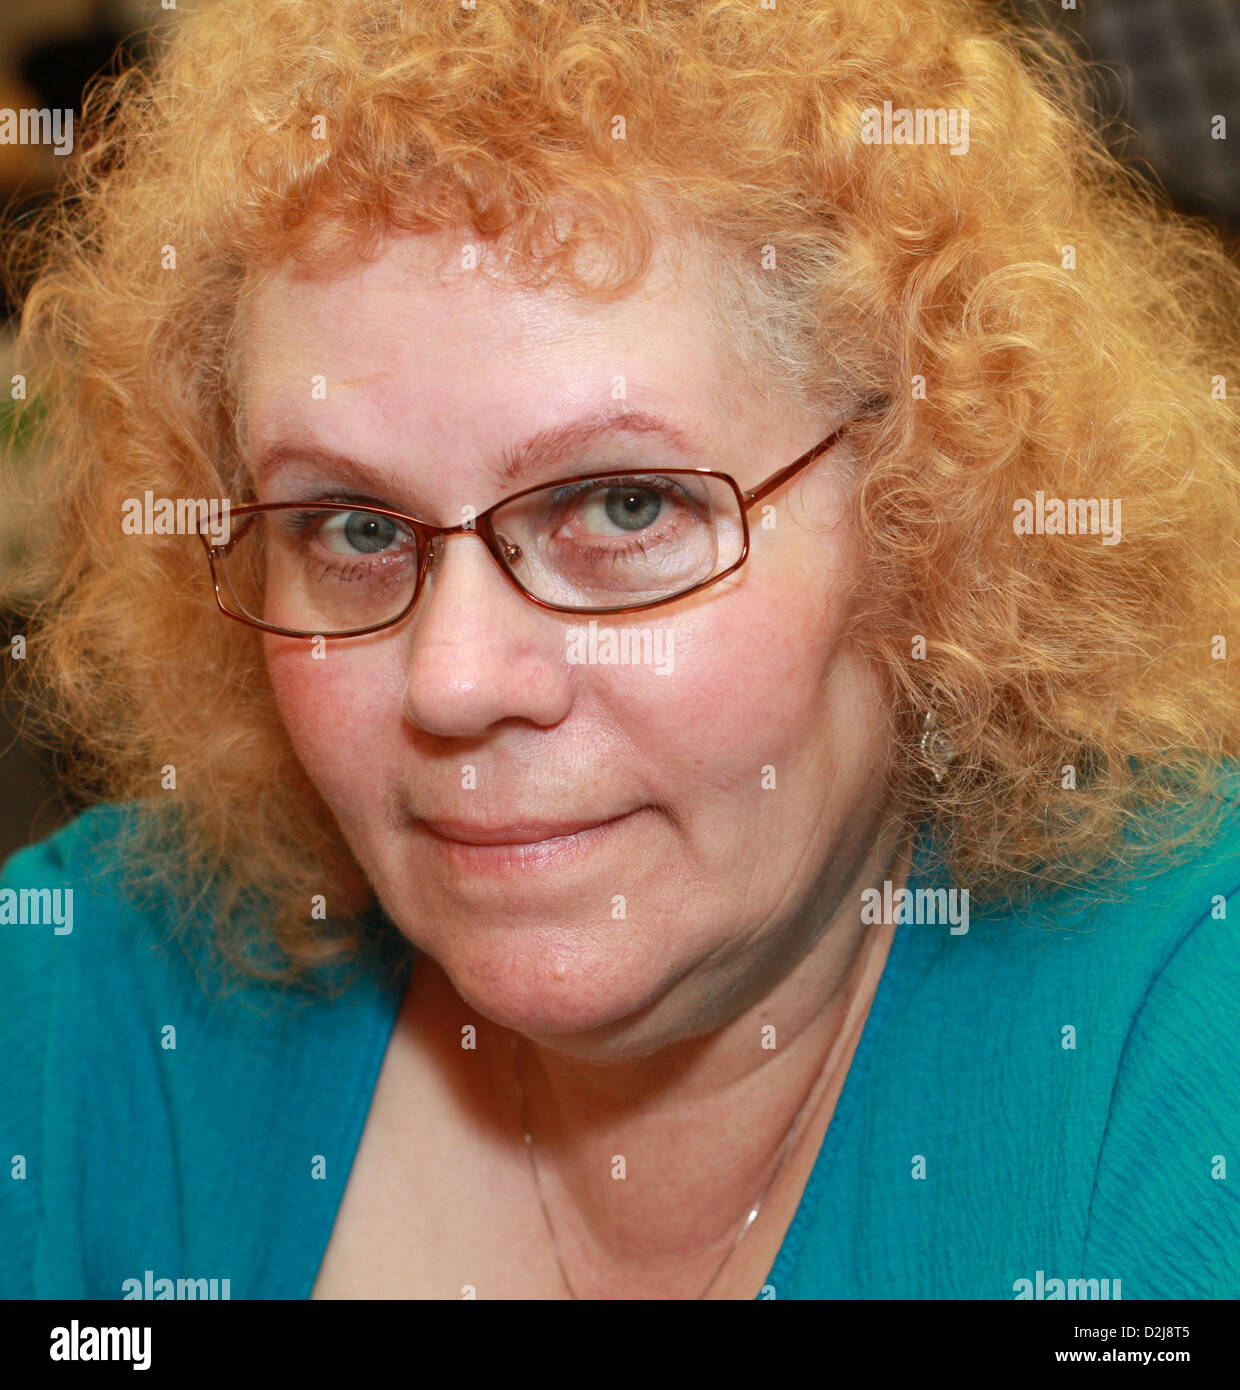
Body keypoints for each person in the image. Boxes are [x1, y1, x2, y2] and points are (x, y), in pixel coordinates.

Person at [1, 0, 1238, 1301]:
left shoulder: (1172, 1052)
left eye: (623, 506)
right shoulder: (84, 1020)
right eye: (353, 525)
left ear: (927, 515)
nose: (456, 678)